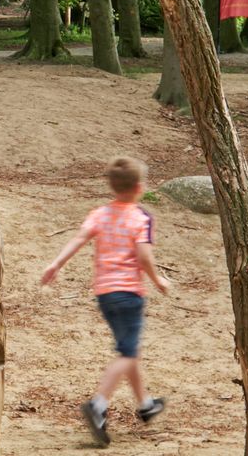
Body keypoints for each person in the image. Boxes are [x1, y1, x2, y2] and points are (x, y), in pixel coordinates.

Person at [40, 157, 173, 447]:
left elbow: (79, 239)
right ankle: (99, 405)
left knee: (130, 348)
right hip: (129, 295)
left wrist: (56, 264)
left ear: (112, 186)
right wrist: (158, 280)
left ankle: (146, 405)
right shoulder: (141, 218)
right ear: (139, 187)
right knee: (126, 353)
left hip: (105, 294)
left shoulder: (100, 214)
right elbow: (144, 256)